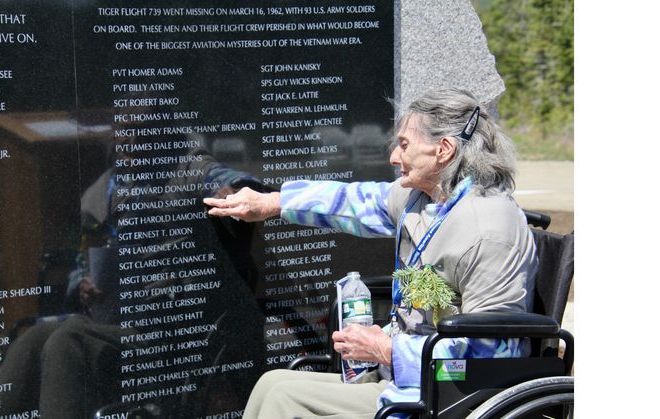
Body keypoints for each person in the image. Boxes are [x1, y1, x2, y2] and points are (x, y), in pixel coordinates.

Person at [203, 88, 538, 418]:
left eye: (404, 145)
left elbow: (489, 357)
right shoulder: (425, 198)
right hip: (405, 375)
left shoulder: (489, 232)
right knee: (271, 383)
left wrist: (388, 350)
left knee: (284, 400)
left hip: (444, 396)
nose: (393, 157)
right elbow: (356, 202)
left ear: (444, 150)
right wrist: (273, 203)